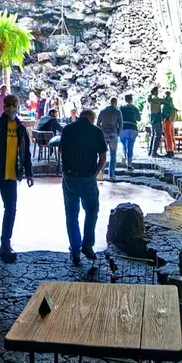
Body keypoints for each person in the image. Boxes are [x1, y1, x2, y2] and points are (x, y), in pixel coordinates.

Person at [0, 95, 34, 263]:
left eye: (14, 105)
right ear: (3, 106)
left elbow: (26, 152)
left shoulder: (21, 129)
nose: (11, 107)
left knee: (10, 210)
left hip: (11, 176)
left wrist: (28, 172)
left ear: (18, 106)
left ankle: (5, 244)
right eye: (8, 104)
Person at [58, 110, 107, 265]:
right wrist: (95, 172)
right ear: (92, 119)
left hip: (70, 176)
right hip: (88, 177)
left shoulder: (68, 129)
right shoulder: (96, 131)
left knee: (71, 214)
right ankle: (87, 245)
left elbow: (60, 151)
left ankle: (75, 250)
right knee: (91, 211)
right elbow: (103, 157)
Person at [96, 97, 123, 180]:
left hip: (103, 135)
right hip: (113, 134)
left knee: (102, 154)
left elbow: (98, 123)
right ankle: (111, 175)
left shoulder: (103, 111)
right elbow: (121, 124)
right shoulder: (118, 112)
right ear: (115, 103)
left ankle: (100, 174)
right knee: (113, 155)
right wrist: (117, 133)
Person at [118, 93, 140, 170]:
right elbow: (139, 119)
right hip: (133, 128)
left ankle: (124, 156)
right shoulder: (135, 108)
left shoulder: (121, 108)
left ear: (125, 100)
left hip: (123, 128)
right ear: (131, 100)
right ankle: (129, 164)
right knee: (130, 147)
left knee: (124, 145)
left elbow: (118, 118)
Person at [147, 87, 166, 157]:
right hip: (156, 118)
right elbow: (163, 101)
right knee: (158, 134)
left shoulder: (150, 99)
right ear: (155, 91)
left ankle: (150, 151)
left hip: (152, 118)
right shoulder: (155, 99)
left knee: (153, 135)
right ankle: (154, 152)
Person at [160, 90, 177, 157]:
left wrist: (164, 118)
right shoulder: (171, 103)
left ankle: (169, 151)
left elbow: (165, 112)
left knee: (168, 136)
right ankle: (171, 150)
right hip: (171, 121)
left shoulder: (167, 104)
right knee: (171, 136)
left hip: (167, 120)